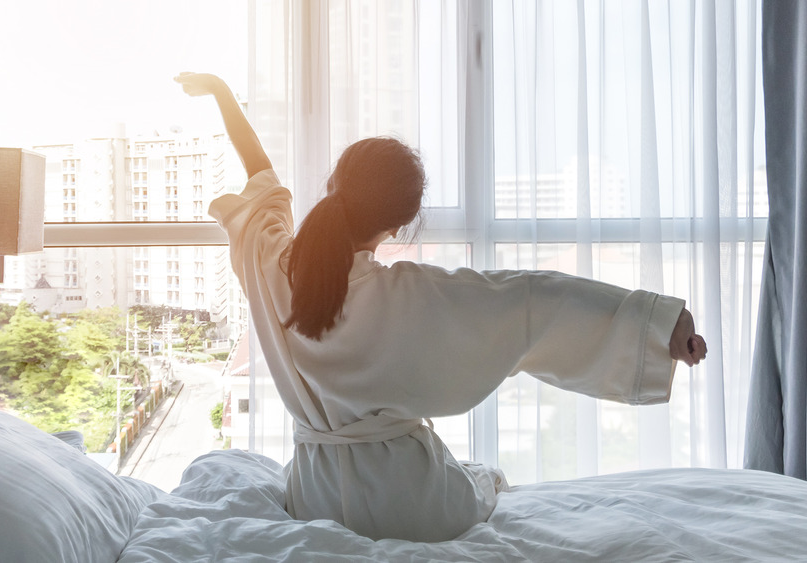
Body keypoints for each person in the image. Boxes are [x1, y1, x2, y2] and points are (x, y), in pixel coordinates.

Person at [176, 72, 708, 543]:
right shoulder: (406, 295)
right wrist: (662, 328)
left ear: (334, 186)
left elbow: (262, 180)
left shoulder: (271, 265)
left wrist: (222, 93)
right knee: (484, 479)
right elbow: (533, 301)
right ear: (398, 225)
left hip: (313, 496)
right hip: (410, 505)